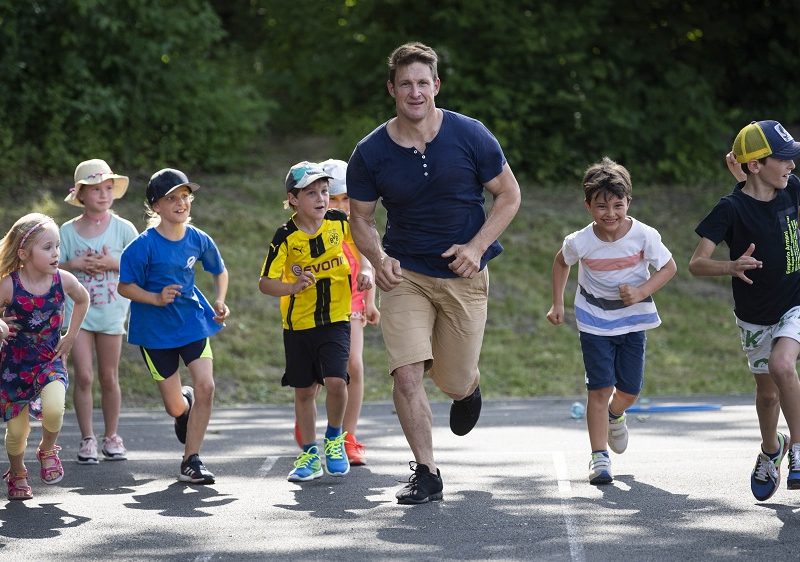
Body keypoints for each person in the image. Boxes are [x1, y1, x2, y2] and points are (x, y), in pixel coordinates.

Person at [346, 42, 522, 504]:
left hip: (463, 274)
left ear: (436, 86)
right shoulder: (370, 152)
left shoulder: (470, 134)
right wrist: (378, 258)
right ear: (392, 89)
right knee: (406, 374)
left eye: (423, 82)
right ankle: (426, 472)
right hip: (405, 274)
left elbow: (509, 195)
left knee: (452, 378)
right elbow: (360, 218)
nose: (415, 91)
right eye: (405, 83)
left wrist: (477, 247)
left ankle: (468, 389)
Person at [546, 157, 677, 485]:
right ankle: (599, 456)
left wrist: (642, 290)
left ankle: (615, 414)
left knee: (630, 390)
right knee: (599, 388)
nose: (610, 214)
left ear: (628, 203)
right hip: (594, 321)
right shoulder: (580, 241)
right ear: (587, 206)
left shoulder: (644, 236)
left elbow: (669, 267)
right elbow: (562, 263)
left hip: (633, 320)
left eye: (618, 205)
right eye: (601, 206)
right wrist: (557, 303)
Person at [689, 120, 800, 502]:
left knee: (783, 365)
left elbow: (766, 190)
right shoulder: (730, 209)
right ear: (756, 165)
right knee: (767, 394)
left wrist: (749, 173)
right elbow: (696, 263)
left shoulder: (792, 190)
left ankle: (798, 451)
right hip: (754, 315)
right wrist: (730, 266)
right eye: (784, 159)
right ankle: (773, 449)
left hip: (794, 303)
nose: (792, 166)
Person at [118, 168, 230, 485]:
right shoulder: (143, 246)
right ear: (156, 206)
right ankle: (184, 408)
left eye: (185, 196)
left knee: (207, 385)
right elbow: (124, 287)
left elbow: (220, 271)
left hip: (193, 323)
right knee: (174, 406)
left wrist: (220, 301)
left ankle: (191, 460)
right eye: (172, 198)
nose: (181, 203)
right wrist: (154, 297)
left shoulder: (198, 239)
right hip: (154, 333)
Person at [259, 161, 369, 482]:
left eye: (324, 191)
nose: (322, 198)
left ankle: (334, 438)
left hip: (336, 318)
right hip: (298, 325)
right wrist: (291, 287)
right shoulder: (285, 238)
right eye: (312, 193)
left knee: (337, 380)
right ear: (293, 199)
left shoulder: (338, 221)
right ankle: (309, 453)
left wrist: (368, 269)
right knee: (305, 392)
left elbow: (364, 241)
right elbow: (265, 283)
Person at [0, 213, 90, 500]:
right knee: (17, 431)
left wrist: (71, 335)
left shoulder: (63, 280)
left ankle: (48, 449)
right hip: (13, 366)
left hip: (49, 360)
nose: (55, 254)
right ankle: (17, 473)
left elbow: (83, 298)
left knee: (54, 409)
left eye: (57, 246)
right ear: (24, 253)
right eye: (47, 247)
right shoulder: (8, 285)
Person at [60, 159, 138, 464]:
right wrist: (74, 265)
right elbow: (51, 268)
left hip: (111, 312)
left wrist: (111, 263)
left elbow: (139, 264)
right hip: (77, 314)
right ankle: (87, 439)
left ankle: (111, 436)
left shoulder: (123, 229)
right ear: (81, 194)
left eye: (108, 188)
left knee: (108, 376)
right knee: (85, 376)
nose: (103, 194)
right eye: (95, 189)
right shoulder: (67, 231)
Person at [321, 158, 380, 465]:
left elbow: (370, 261)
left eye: (346, 198)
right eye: (333, 197)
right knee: (320, 375)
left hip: (352, 304)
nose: (340, 205)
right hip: (317, 309)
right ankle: (309, 425)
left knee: (353, 366)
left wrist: (370, 302)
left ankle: (348, 435)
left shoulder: (358, 226)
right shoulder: (313, 231)